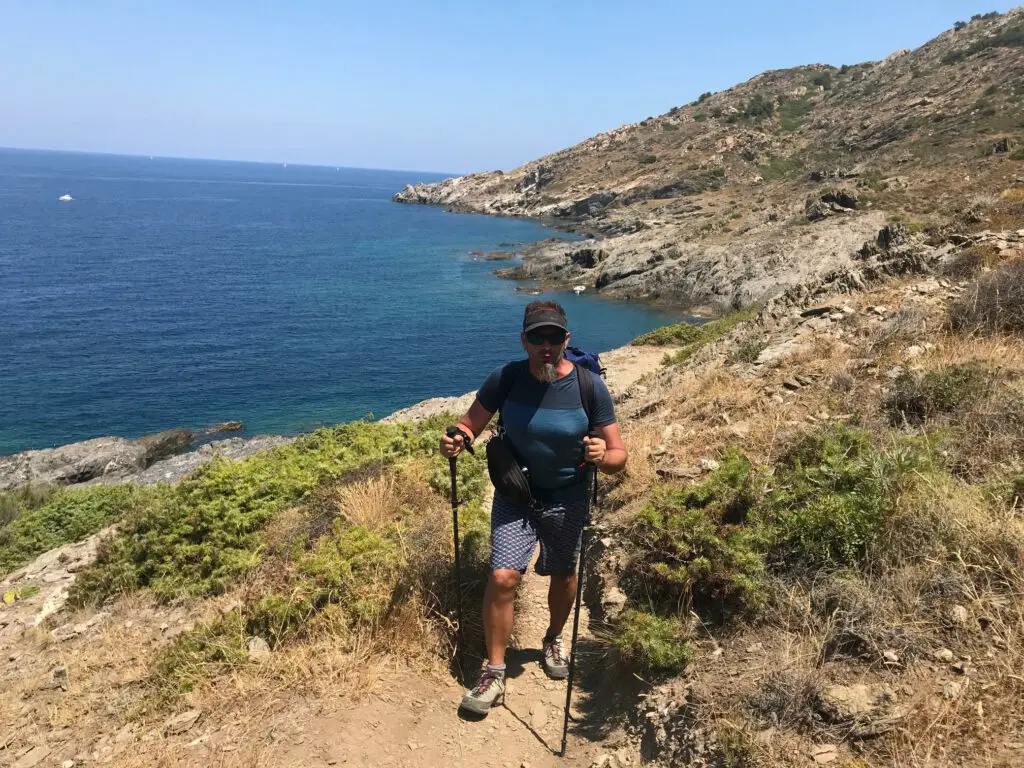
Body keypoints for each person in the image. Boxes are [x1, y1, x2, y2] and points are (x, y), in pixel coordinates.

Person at [439, 300, 627, 716]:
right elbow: (471, 423)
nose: (546, 345)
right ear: (523, 339)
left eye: (554, 337)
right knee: (504, 576)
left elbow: (619, 457)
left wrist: (601, 454)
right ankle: (494, 671)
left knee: (563, 574)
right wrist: (457, 438)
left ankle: (553, 638)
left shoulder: (588, 386)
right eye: (537, 337)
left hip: (568, 495)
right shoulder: (505, 379)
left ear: (566, 340)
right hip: (516, 496)